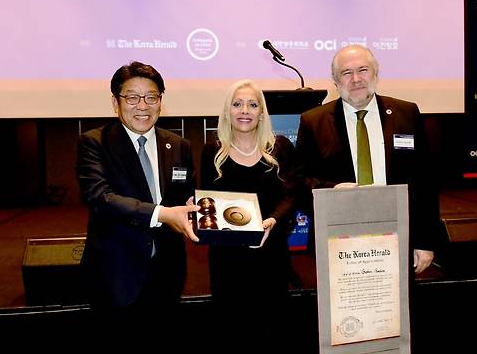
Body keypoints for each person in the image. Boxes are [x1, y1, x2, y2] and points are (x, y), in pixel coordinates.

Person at [76, 61, 199, 333]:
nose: (142, 106)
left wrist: (196, 208)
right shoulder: (94, 143)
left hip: (167, 272)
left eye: (151, 97)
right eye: (132, 97)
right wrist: (163, 214)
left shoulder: (178, 145)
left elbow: (186, 195)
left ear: (160, 101)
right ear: (115, 102)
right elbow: (100, 198)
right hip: (116, 273)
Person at [295, 44, 440, 274]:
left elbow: (424, 182)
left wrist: (425, 241)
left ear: (375, 74)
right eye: (346, 73)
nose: (356, 79)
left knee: (396, 308)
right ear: (335, 81)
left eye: (363, 70)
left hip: (398, 233)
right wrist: (332, 191)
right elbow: (299, 180)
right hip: (338, 237)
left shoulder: (406, 114)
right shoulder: (314, 121)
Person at [200, 79, 297, 350]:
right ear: (227, 111)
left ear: (262, 113)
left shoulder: (280, 148)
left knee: (271, 328)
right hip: (227, 258)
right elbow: (207, 198)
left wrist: (273, 220)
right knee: (232, 328)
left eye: (253, 104)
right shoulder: (213, 151)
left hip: (270, 252)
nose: (245, 110)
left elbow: (291, 195)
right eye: (237, 104)